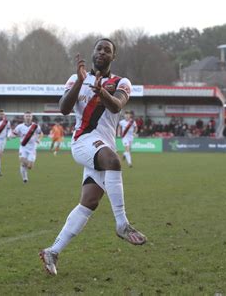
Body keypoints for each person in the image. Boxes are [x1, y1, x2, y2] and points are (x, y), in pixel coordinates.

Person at [39, 38, 147, 276]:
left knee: (89, 202)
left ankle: (53, 251)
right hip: (83, 142)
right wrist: (80, 81)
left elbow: (117, 106)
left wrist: (101, 93)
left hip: (102, 146)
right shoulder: (76, 78)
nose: (102, 52)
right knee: (113, 161)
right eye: (99, 48)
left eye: (107, 50)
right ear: (93, 53)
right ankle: (122, 223)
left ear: (113, 57)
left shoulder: (121, 82)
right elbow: (64, 108)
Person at [11, 111, 43, 183]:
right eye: (26, 116)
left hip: (32, 148)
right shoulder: (20, 126)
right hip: (23, 147)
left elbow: (41, 134)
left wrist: (39, 139)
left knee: (30, 167)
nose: (28, 117)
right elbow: (13, 134)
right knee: (22, 162)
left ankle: (27, 167)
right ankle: (25, 178)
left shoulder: (36, 126)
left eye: (29, 116)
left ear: (31, 117)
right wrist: (12, 136)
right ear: (24, 117)